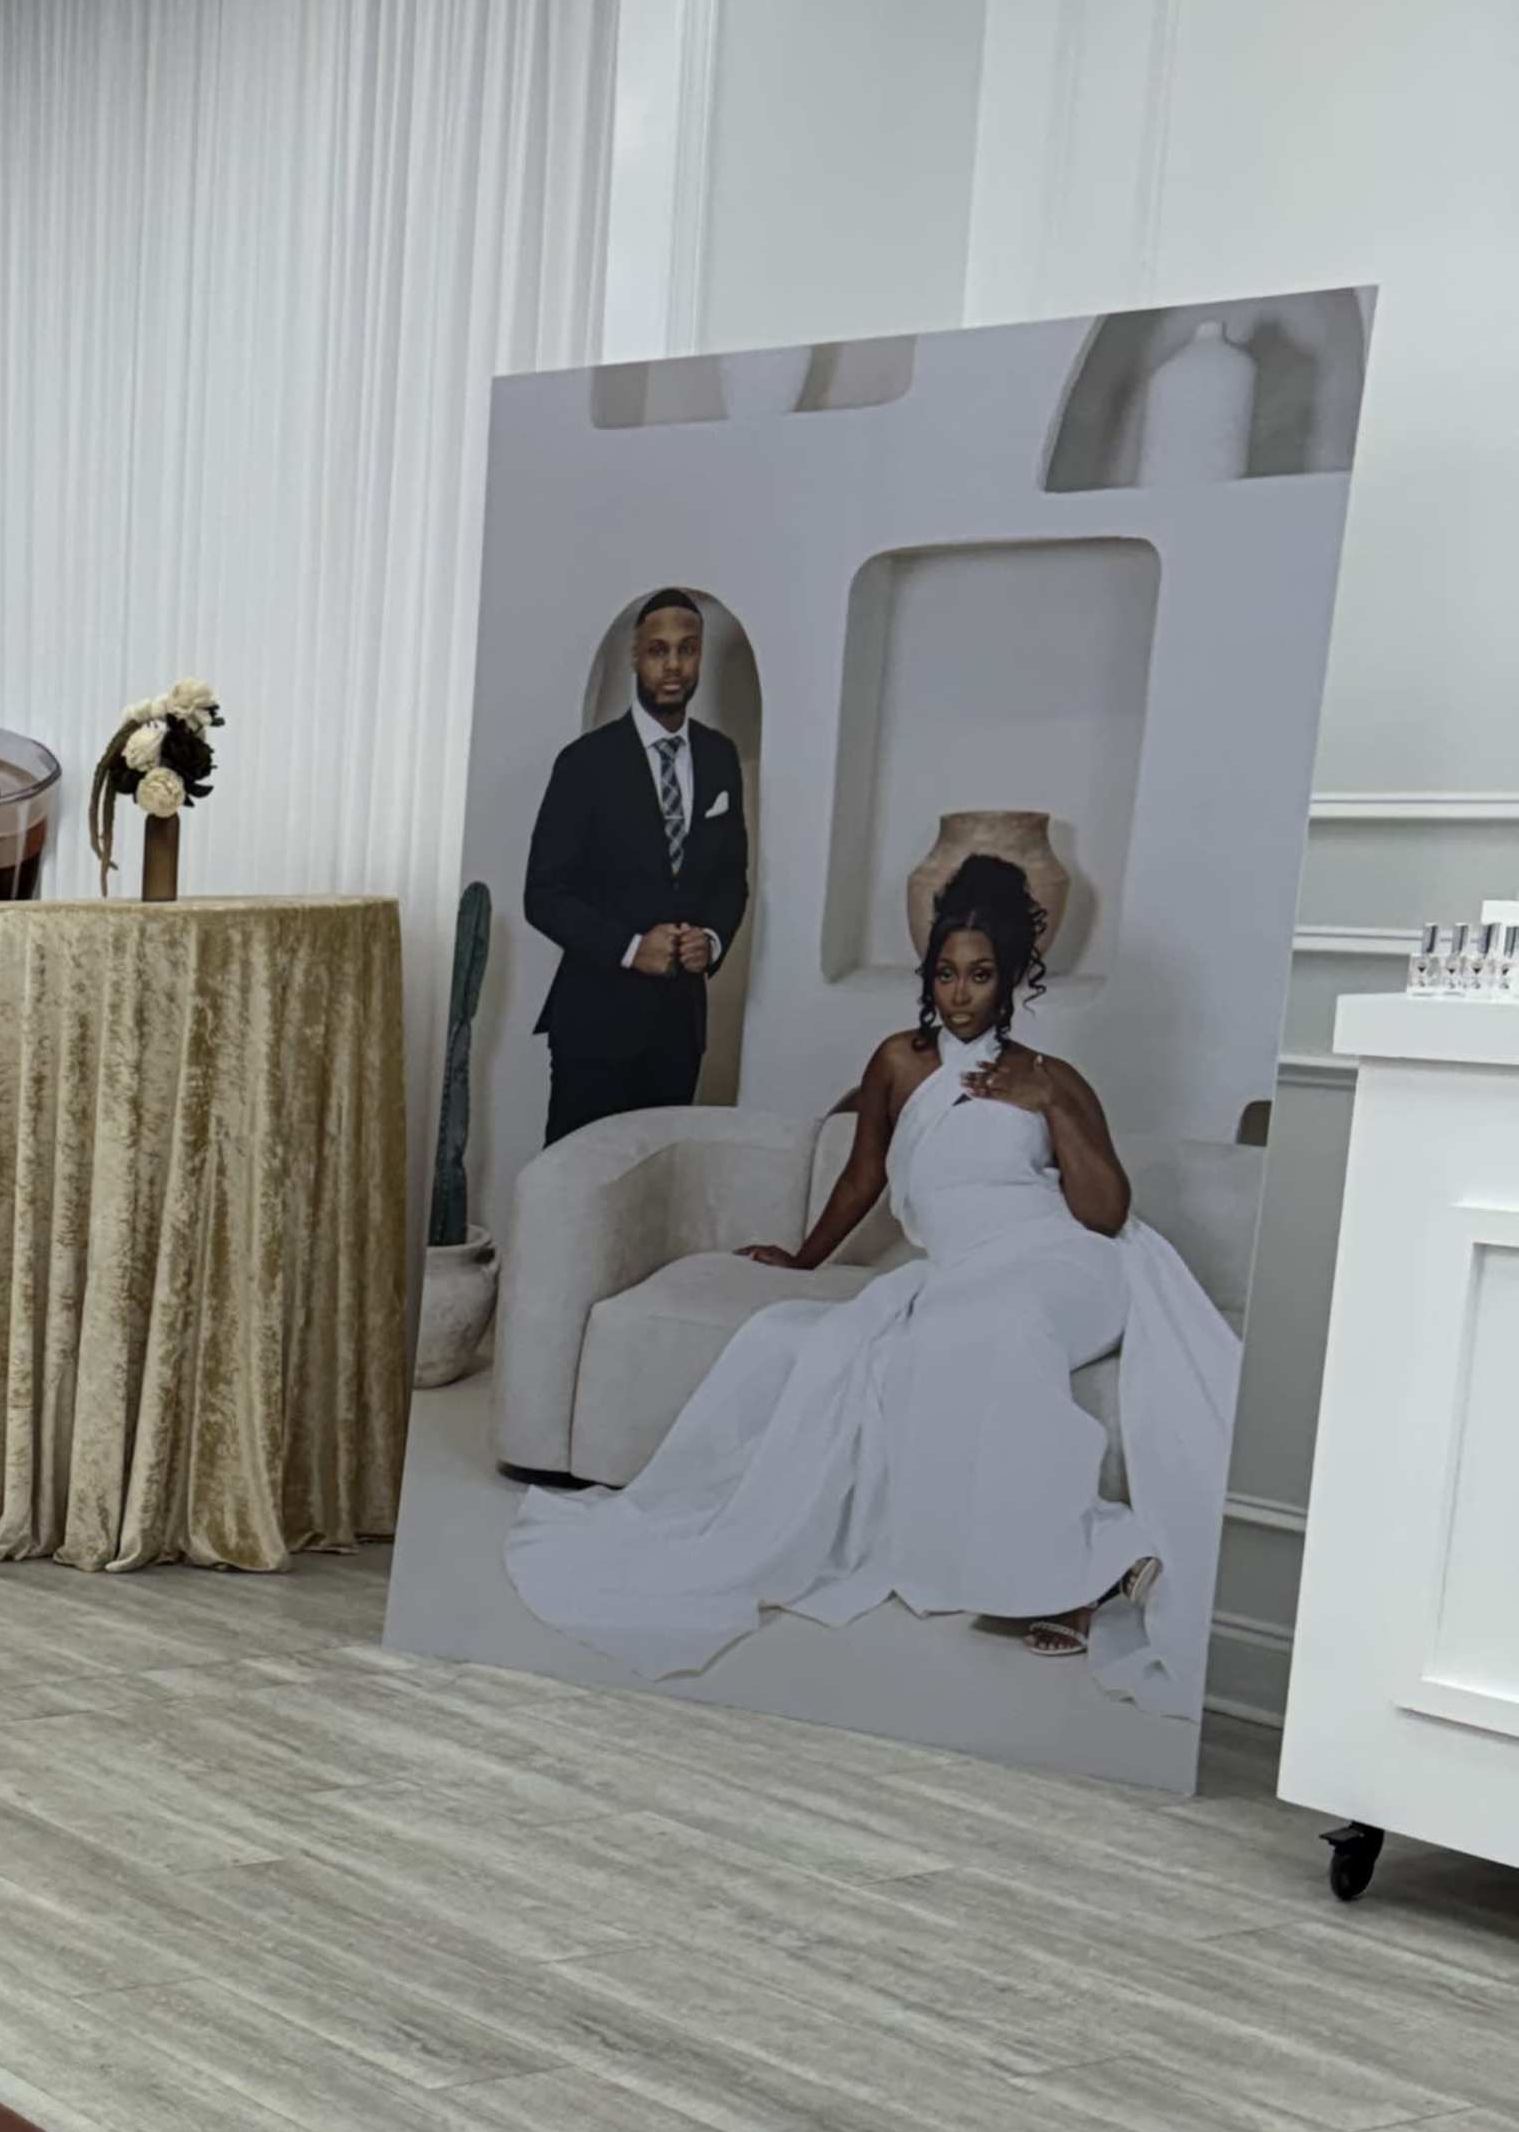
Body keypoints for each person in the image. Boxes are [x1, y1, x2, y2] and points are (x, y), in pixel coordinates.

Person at [500, 852, 1236, 1714]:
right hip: (965, 1271)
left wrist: (1056, 1104)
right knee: (832, 1341)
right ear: (931, 977)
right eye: (948, 974)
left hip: (1067, 1261)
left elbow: (1105, 1214)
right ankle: (1100, 1558)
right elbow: (862, 1177)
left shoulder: (1051, 1077)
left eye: (982, 976)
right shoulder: (897, 1063)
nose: (962, 994)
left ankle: (1075, 1572)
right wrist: (804, 1259)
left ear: (1010, 983)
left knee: (1001, 1330)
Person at [524, 592, 749, 1145]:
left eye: (687, 650)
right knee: (576, 1192)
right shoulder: (586, 763)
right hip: (593, 1025)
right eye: (657, 650)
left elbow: (731, 881)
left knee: (657, 1196)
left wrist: (713, 940)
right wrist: (629, 947)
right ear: (635, 658)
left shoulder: (721, 758)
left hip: (680, 1030)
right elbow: (543, 894)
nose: (673, 666)